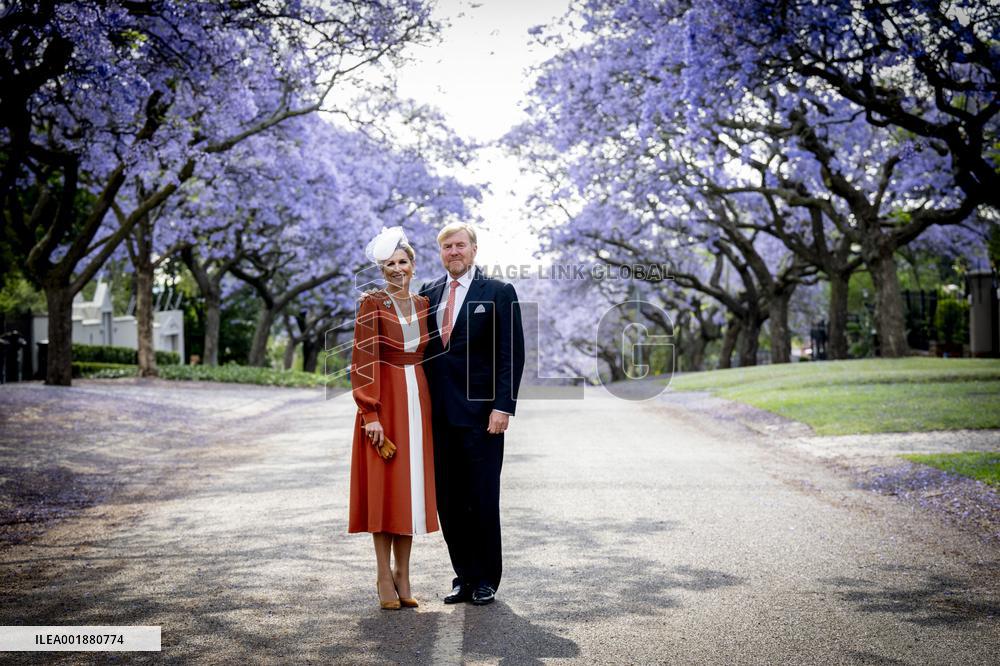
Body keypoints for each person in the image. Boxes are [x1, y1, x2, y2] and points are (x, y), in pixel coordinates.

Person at [419, 222, 525, 606]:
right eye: (447, 247)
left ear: (474, 249)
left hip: (483, 417)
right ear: (441, 252)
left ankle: (486, 579)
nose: (454, 252)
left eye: (460, 245)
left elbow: (511, 354)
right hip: (438, 415)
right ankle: (463, 577)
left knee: (481, 497)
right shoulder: (427, 294)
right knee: (448, 499)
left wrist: (503, 405)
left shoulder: (498, 292)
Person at [349, 226, 438, 610]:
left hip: (418, 400)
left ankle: (404, 573)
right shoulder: (372, 303)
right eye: (390, 263)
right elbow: (363, 357)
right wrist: (370, 412)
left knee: (410, 490)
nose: (397, 268)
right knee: (385, 489)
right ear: (382, 269)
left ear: (413, 266)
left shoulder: (422, 305)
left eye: (403, 262)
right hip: (385, 403)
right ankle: (383, 574)